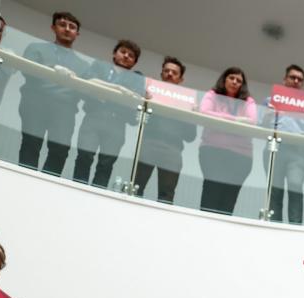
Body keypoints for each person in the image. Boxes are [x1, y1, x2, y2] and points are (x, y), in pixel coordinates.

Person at [17, 11, 88, 175]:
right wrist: (55, 72)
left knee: (60, 150)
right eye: (62, 25)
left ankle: (46, 191)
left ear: (77, 34)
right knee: (31, 144)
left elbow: (84, 90)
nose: (67, 29)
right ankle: (25, 183)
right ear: (53, 27)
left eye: (72, 27)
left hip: (65, 110)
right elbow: (28, 72)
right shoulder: (36, 48)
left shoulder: (83, 65)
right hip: (35, 103)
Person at [72, 39, 145, 188]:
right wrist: (119, 89)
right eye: (123, 52)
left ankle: (98, 192)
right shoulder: (100, 65)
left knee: (107, 162)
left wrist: (106, 89)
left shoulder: (137, 78)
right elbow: (89, 81)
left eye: (131, 55)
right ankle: (78, 188)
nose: (126, 56)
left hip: (117, 124)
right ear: (114, 53)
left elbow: (134, 97)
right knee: (84, 155)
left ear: (134, 62)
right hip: (94, 117)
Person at [134, 56, 197, 203]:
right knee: (136, 188)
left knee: (166, 194)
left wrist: (191, 114)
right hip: (148, 144)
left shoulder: (187, 101)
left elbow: (190, 137)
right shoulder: (151, 94)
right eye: (166, 71)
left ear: (180, 79)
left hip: (173, 150)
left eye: (174, 73)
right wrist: (145, 101)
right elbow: (136, 121)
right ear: (161, 74)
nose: (169, 74)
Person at [264, 64, 304, 225]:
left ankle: (296, 226)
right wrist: (267, 116)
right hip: (275, 149)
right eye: (292, 77)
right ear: (284, 79)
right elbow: (262, 126)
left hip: (298, 153)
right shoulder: (271, 101)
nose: (296, 81)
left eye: (300, 79)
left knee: (295, 186)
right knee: (275, 190)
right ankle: (275, 227)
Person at [198, 67, 257, 215]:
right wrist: (237, 120)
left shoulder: (248, 101)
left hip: (241, 157)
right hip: (212, 152)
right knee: (211, 195)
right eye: (232, 78)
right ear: (224, 79)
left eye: (239, 81)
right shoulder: (212, 94)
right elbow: (204, 112)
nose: (235, 82)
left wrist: (219, 117)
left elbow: (252, 121)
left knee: (228, 202)